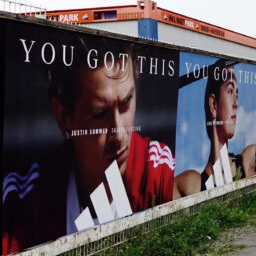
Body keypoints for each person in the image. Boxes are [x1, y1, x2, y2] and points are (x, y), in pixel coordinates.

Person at [2, 42, 175, 254]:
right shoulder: (24, 203)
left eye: (127, 101)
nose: (119, 134)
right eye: (100, 114)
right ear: (63, 117)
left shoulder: (158, 173)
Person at [174, 59, 256, 198]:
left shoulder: (245, 161)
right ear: (213, 105)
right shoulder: (191, 184)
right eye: (230, 90)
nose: (236, 103)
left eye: (237, 94)